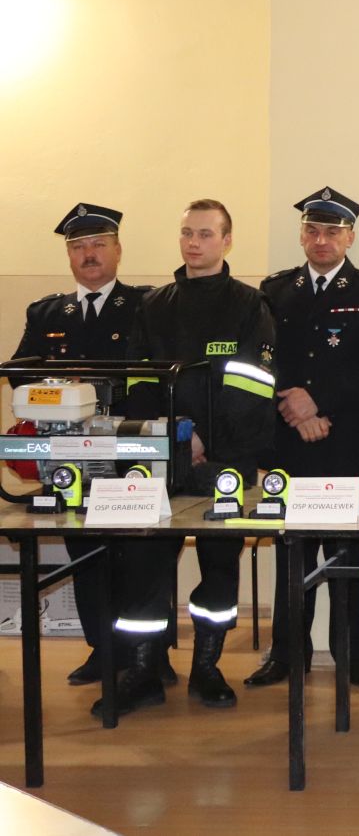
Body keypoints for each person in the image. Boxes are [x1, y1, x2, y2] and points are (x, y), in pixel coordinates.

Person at [94, 198, 277, 716]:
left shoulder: (250, 305)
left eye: (205, 234)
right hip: (163, 457)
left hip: (227, 459)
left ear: (227, 241)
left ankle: (207, 669)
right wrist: (178, 434)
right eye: (187, 233)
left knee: (219, 565)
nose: (193, 243)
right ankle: (144, 672)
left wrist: (210, 444)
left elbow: (253, 386)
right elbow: (138, 384)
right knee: (146, 564)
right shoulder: (153, 305)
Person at [246, 188, 359, 690]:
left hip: (343, 439)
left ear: (350, 237)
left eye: (333, 231)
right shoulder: (275, 289)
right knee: (292, 553)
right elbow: (262, 359)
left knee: (346, 554)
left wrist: (318, 402)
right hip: (290, 439)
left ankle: (353, 654)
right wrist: (293, 406)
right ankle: (287, 654)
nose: (321, 240)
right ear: (302, 235)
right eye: (312, 230)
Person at [11, 203, 155, 686]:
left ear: (117, 250)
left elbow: (154, 376)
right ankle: (102, 650)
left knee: (137, 556)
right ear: (70, 256)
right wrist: (57, 389)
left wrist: (94, 389)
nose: (88, 254)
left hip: (126, 448)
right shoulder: (47, 312)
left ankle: (147, 657)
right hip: (67, 452)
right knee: (85, 552)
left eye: (98, 245)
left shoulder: (145, 305)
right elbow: (19, 376)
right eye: (79, 247)